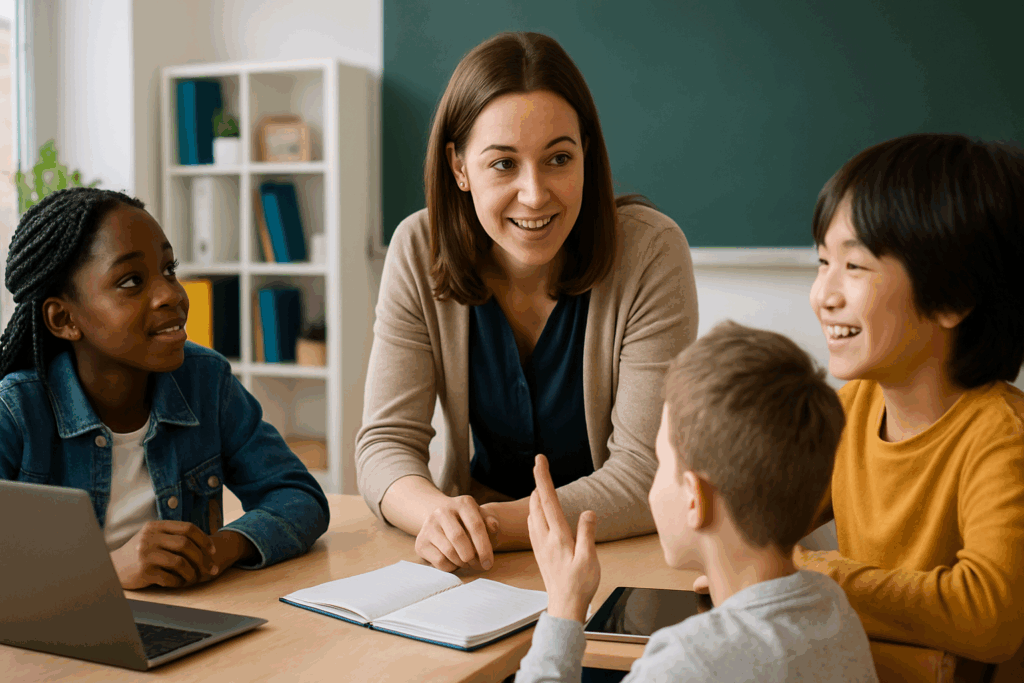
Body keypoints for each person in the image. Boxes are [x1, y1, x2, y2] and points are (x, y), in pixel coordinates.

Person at [356, 31, 698, 572]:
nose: (535, 193)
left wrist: (480, 527)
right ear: (459, 167)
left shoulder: (651, 251)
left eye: (558, 158)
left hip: (611, 555)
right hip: (471, 562)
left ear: (586, 153)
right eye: (503, 164)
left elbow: (641, 474)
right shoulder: (418, 248)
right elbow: (384, 445)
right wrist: (438, 517)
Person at [0, 187, 330, 590]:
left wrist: (219, 549)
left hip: (188, 623)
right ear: (63, 318)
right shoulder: (15, 412)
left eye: (169, 270)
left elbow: (298, 495)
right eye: (132, 281)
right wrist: (104, 572)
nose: (172, 294)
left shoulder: (205, 382)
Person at [516, 321, 878, 682]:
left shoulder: (684, 664)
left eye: (660, 467)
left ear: (694, 499)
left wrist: (565, 608)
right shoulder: (834, 608)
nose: (653, 488)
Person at [797, 133, 1024, 672]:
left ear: (951, 297)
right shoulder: (851, 409)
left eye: (854, 267)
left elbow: (987, 618)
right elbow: (762, 516)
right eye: (822, 261)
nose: (824, 294)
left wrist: (816, 578)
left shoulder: (1001, 438)